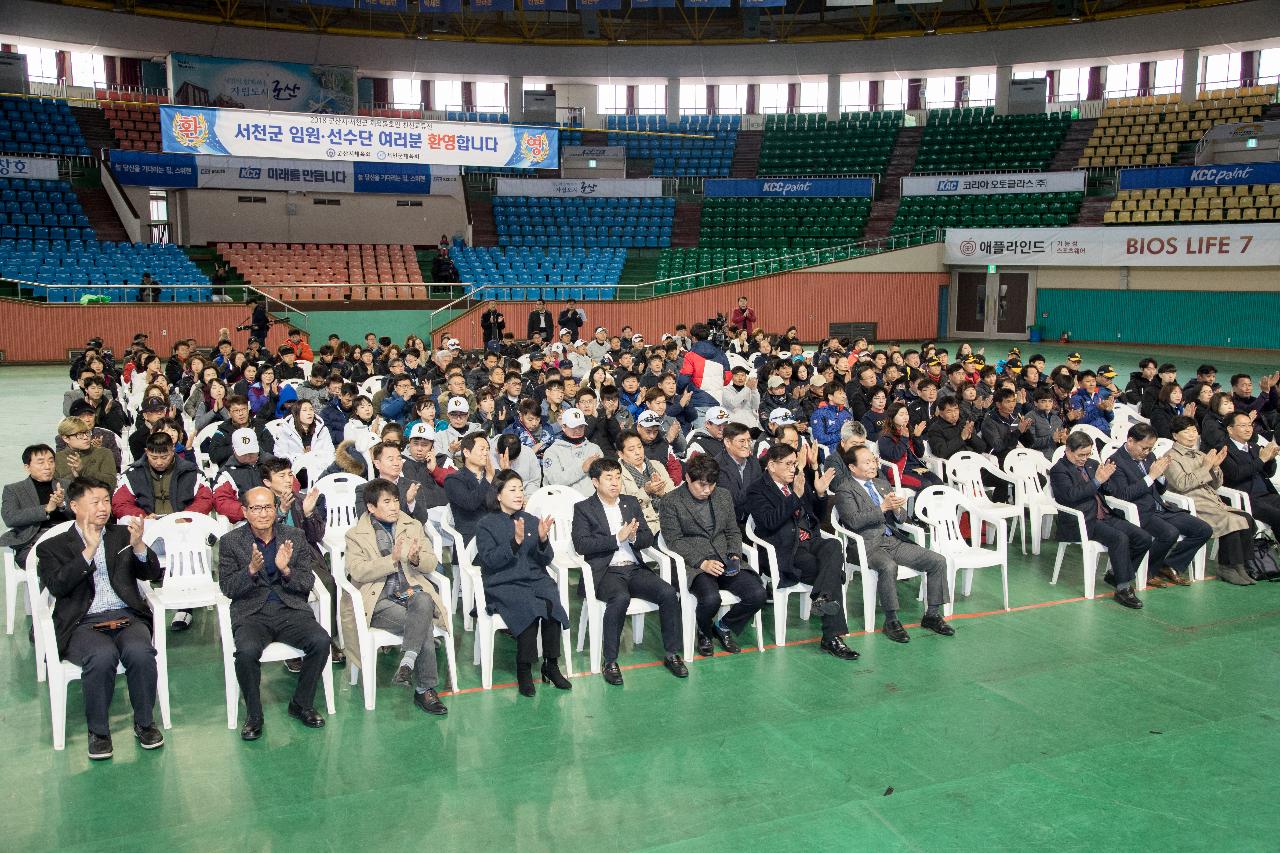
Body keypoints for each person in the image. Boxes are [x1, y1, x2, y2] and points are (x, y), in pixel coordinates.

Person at [36, 478, 164, 759]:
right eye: (95, 502)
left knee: (141, 652)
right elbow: (57, 586)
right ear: (74, 506)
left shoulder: (121, 535)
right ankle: (99, 732)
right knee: (102, 656)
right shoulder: (52, 547)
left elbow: (152, 574)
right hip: (83, 623)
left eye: (106, 500)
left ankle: (144, 724)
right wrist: (88, 551)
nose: (103, 508)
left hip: (126, 616)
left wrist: (139, 546)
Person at [218, 485, 332, 740]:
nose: (263, 514)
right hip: (251, 613)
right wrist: (249, 570)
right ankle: (254, 714)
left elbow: (305, 583)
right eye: (256, 508)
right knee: (246, 652)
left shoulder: (295, 536)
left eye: (268, 507)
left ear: (275, 508)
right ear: (245, 512)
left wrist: (286, 570)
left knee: (321, 641)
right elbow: (227, 588)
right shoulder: (231, 542)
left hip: (290, 609)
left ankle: (301, 703)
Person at [571, 458, 687, 685]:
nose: (615, 483)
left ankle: (672, 653)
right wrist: (617, 538)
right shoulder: (584, 508)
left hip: (633, 567)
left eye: (617, 477)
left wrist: (633, 537)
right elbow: (582, 545)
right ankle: (610, 661)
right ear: (595, 482)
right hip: (605, 571)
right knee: (620, 598)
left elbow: (645, 538)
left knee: (667, 593)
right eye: (608, 478)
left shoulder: (630, 502)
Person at [342, 479, 450, 715]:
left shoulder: (412, 525)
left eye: (396, 501)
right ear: (371, 507)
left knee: (423, 601)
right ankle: (425, 689)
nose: (394, 507)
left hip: (410, 592)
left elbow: (432, 561)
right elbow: (357, 570)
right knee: (424, 625)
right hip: (379, 598)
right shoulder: (356, 535)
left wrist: (414, 559)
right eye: (387, 502)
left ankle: (407, 662)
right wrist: (392, 560)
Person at [829, 444, 953, 643]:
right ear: (852, 467)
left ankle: (932, 614)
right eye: (867, 462)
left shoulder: (881, 483)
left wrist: (896, 509)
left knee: (937, 560)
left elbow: (901, 518)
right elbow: (853, 521)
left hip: (892, 541)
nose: (873, 465)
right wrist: (882, 507)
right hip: (867, 545)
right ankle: (891, 620)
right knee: (888, 566)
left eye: (873, 460)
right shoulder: (845, 489)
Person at [745, 443, 858, 659]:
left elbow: (816, 515)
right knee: (830, 572)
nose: (793, 469)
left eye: (795, 464)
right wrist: (794, 497)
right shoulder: (757, 490)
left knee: (834, 545)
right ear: (771, 466)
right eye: (788, 464)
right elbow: (769, 522)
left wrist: (820, 493)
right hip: (786, 549)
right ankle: (832, 637)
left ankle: (822, 597)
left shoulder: (797, 482)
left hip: (810, 540)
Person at [474, 469, 572, 697]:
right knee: (527, 605)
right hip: (503, 582)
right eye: (512, 489)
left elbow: (545, 560)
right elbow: (490, 561)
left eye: (521, 489)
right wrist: (515, 542)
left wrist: (543, 540)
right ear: (498, 495)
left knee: (550, 601)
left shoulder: (531, 520)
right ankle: (524, 669)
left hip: (534, 578)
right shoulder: (486, 524)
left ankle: (551, 664)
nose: (519, 494)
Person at [658, 453, 766, 656]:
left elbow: (733, 531)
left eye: (712, 484)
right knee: (710, 599)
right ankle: (704, 632)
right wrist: (702, 562)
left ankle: (723, 627)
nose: (707, 490)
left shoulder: (723, 495)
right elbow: (674, 541)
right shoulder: (671, 501)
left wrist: (734, 553)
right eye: (702, 485)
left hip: (725, 558)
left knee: (758, 594)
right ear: (688, 478)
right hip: (694, 564)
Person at [1049, 432, 1153, 609]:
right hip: (1082, 521)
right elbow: (1070, 496)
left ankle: (1116, 574)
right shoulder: (1059, 470)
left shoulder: (1092, 464)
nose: (1084, 459)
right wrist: (1097, 481)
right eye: (1080, 455)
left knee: (1143, 538)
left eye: (1088, 454)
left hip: (1104, 514)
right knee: (1119, 538)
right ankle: (1123, 588)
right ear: (1067, 450)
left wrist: (1106, 481)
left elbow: (1108, 490)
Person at [1101, 424, 1210, 588]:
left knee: (1203, 529)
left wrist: (1160, 477)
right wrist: (1151, 476)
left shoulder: (1149, 456)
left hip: (1160, 507)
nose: (1147, 452)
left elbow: (1160, 489)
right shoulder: (1116, 461)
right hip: (1139, 511)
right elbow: (1122, 495)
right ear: (1130, 441)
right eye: (1144, 448)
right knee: (1169, 533)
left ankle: (1169, 565)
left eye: (1150, 448)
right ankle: (1147, 571)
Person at [1162, 415, 1257, 585]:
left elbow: (1215, 485)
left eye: (1194, 430)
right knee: (1231, 520)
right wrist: (1206, 466)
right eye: (1186, 431)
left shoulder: (1199, 454)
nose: (1192, 434)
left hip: (1212, 500)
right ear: (1175, 435)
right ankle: (1226, 567)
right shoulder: (1170, 457)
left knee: (1247, 519)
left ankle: (1240, 565)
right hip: (1191, 502)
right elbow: (1182, 484)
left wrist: (1215, 467)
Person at [1, 444, 73, 568]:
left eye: (51, 461)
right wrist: (46, 509)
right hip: (33, 542)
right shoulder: (14, 490)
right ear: (27, 467)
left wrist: (62, 505)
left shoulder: (67, 485)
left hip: (68, 538)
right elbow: (10, 517)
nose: (47, 466)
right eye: (41, 462)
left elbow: (82, 513)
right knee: (56, 562)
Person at [1220, 411, 1280, 535]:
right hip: (1247, 499)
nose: (1248, 429)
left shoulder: (1254, 447)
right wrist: (1262, 459)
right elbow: (1236, 474)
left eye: (1250, 425)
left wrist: (1270, 459)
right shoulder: (1223, 450)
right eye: (1243, 426)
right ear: (1230, 429)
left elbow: (1269, 473)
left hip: (1266, 495)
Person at [617, 429, 674, 532]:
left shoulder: (657, 465)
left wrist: (662, 493)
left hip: (669, 516)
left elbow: (674, 495)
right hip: (644, 524)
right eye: (631, 450)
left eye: (640, 447)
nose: (638, 453)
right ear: (621, 454)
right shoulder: (617, 474)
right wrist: (646, 491)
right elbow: (623, 505)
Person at [677, 322, 732, 428]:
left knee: (702, 436)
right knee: (717, 436)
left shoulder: (690, 355)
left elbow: (684, 379)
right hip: (717, 400)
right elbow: (727, 379)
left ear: (693, 338)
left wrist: (678, 392)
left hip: (698, 402)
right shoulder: (721, 353)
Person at [443, 432, 496, 543]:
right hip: (472, 537)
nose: (486, 453)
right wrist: (488, 479)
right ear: (466, 452)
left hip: (498, 533)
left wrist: (507, 474)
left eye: (487, 449)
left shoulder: (497, 475)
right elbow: (470, 503)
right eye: (482, 449)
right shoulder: (453, 479)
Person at [540, 408, 603, 497]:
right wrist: (582, 469)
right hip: (564, 501)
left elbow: (602, 479)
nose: (578, 430)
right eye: (573, 427)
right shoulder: (552, 451)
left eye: (581, 426)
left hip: (592, 502)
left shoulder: (594, 448)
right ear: (563, 427)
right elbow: (554, 481)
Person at [209, 396, 275, 468]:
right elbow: (214, 455)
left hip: (259, 466)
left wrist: (252, 444)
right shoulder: (223, 430)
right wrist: (237, 446)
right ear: (229, 413)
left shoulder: (259, 425)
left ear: (248, 410)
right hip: (235, 469)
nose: (241, 414)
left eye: (243, 409)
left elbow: (271, 446)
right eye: (236, 411)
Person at [715, 421, 762, 523]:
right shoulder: (718, 466)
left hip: (755, 516)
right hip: (731, 522)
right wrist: (759, 485)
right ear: (727, 442)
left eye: (749, 441)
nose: (747, 445)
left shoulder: (753, 461)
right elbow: (732, 500)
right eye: (742, 441)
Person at [54, 417, 117, 487]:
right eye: (80, 435)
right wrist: (74, 476)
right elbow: (56, 487)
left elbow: (111, 483)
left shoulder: (104, 453)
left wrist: (84, 470)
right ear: (66, 438)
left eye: (87, 432)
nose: (86, 437)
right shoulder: (57, 459)